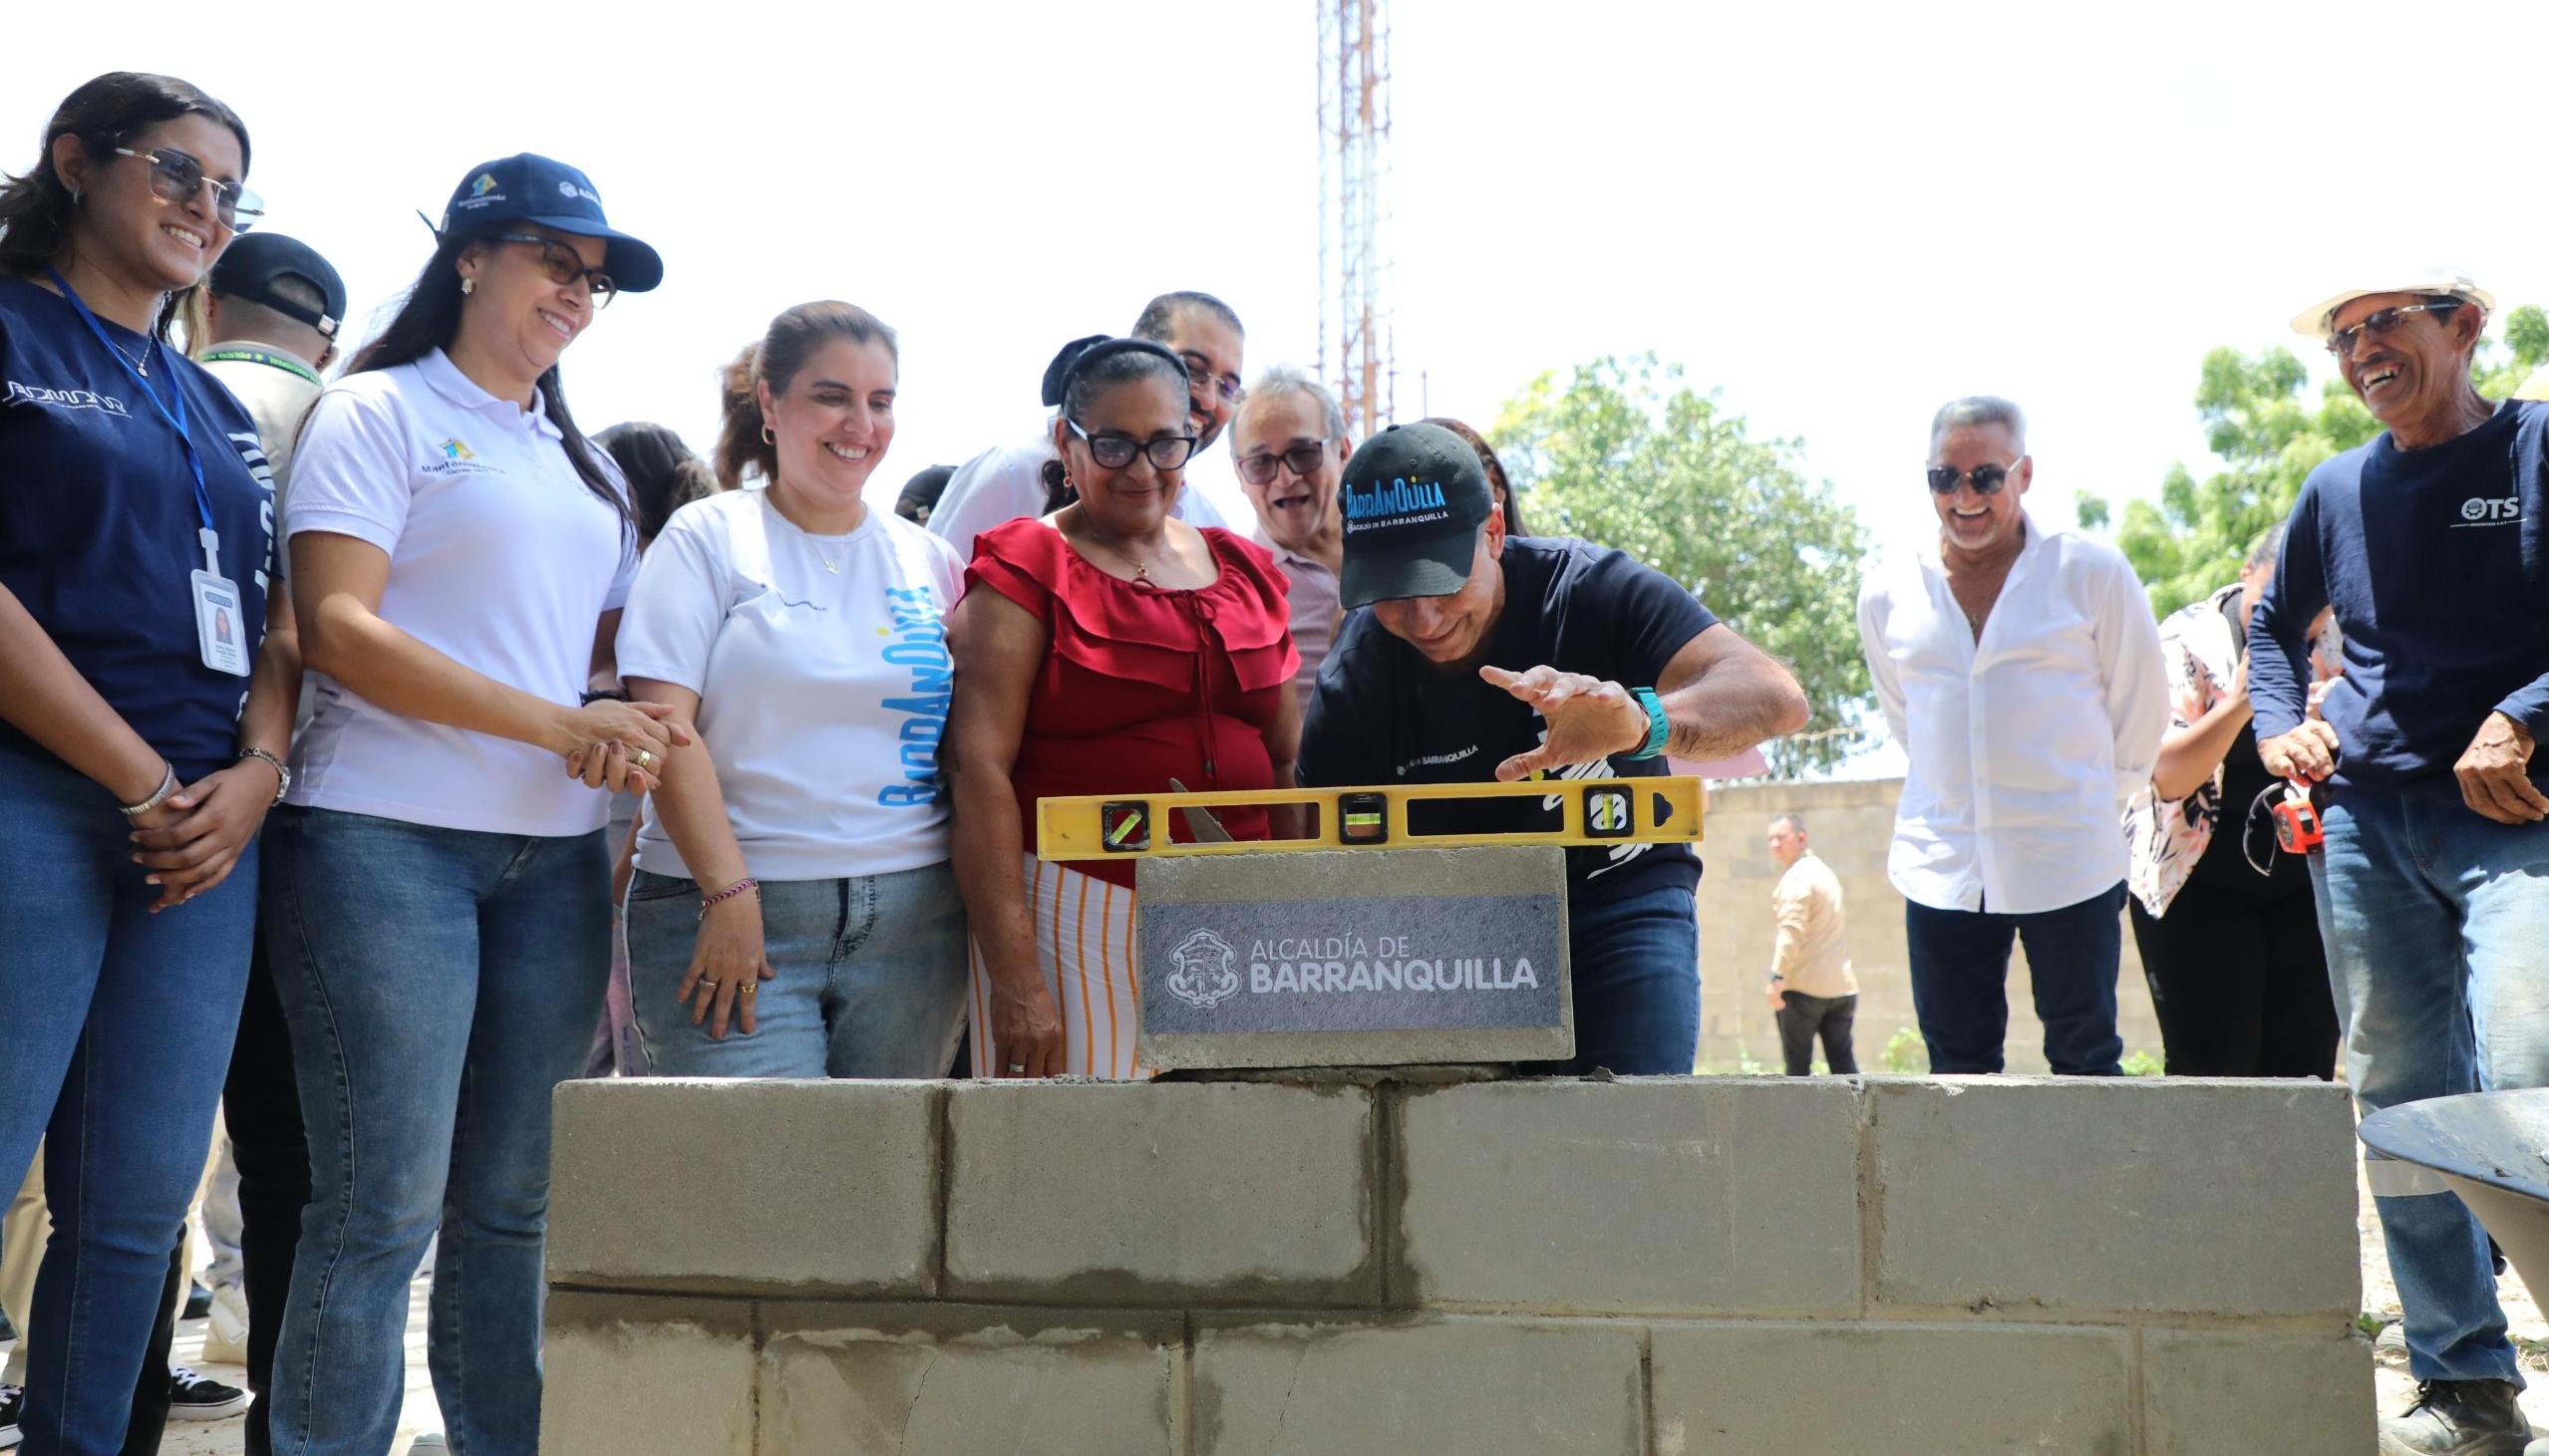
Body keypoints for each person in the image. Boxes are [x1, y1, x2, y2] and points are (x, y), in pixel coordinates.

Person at [260, 151, 675, 1456]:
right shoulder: (375, 411)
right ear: (470, 257)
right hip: (380, 845)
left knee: (510, 1208)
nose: (576, 293)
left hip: (548, 867)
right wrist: (560, 724)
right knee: (380, 1206)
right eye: (556, 261)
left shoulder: (593, 474)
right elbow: (335, 627)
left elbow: (622, 680)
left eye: (594, 280)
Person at [0, 71, 291, 1455]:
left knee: (131, 1212)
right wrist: (134, 776)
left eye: (230, 191)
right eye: (178, 172)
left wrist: (260, 774)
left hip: (201, 834)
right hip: (37, 798)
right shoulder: (7, 330)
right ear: (75, 163)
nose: (205, 209)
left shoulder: (213, 401)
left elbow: (279, 618)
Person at [2253, 271, 2549, 1456]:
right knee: (2402, 1103)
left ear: (2464, 326)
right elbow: (2268, 628)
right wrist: (2279, 723)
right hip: (2370, 825)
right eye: (2343, 335)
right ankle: (2465, 1384)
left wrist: (2526, 710)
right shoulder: (2335, 487)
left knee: (2532, 1062)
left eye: (2387, 322)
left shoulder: (2533, 445)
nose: (2362, 348)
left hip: (2515, 813)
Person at [1299, 422, 1807, 1076]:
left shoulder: (1589, 590)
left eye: (1441, 579)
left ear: (1491, 530)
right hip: (1449, 926)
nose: (1424, 618)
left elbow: (1776, 696)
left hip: (1617, 898)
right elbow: (1326, 869)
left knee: (1634, 1134)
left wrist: (1639, 721)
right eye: (1394, 591)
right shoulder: (1355, 678)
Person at [616, 302, 970, 1077]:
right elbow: (664, 730)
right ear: (770, 403)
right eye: (833, 395)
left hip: (915, 927)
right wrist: (728, 892)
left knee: (883, 1188)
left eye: (881, 401)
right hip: (732, 910)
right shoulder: (705, 539)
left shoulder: (931, 560)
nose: (862, 423)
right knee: (761, 1188)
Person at [946, 338, 1299, 1080]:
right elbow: (976, 768)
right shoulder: (1024, 564)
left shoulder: (1247, 569)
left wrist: (1301, 926)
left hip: (1248, 915)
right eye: (1112, 444)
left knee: (1241, 1161)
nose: (1142, 470)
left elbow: (1286, 763)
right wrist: (1016, 979)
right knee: (1071, 1172)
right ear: (1063, 445)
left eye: (1165, 444)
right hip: (1072, 918)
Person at [1857, 396, 2166, 1076]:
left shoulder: (2090, 571)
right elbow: (1904, 717)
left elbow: (2141, 710)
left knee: (2086, 1059)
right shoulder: (1887, 590)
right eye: (1945, 478)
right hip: (1941, 866)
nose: (1964, 496)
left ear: (2023, 475)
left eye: (1985, 477)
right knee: (1955, 1073)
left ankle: (2087, 1188)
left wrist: (2079, 801)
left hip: (2069, 860)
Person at [193, 224, 351, 1454]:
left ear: (209, 299)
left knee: (130, 1171)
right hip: (322, 829)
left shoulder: (178, 390)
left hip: (145, 800)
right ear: (328, 338)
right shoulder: (361, 422)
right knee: (296, 1164)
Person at [2120, 525, 2337, 1079]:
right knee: (2210, 1071)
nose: (2287, 621)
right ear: (2246, 574)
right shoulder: (2185, 641)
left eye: (2307, 610)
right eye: (2271, 602)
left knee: (2304, 1070)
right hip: (2198, 885)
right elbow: (2165, 775)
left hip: (2308, 882)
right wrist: (2242, 701)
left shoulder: (2345, 638)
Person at [583, 421, 718, 1078]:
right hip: (682, 842)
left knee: (580, 1050)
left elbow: (660, 739)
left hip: (620, 824)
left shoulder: (631, 582)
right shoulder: (706, 572)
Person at [926, 293, 1244, 552]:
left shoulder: (1210, 528)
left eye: (1227, 386)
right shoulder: (1013, 471)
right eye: (1190, 368)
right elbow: (932, 603)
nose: (1209, 400)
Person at [1228, 365, 1349, 700]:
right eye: (1261, 463)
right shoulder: (1237, 589)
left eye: (1303, 453)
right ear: (1239, 476)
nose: (1285, 478)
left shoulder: (1399, 549)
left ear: (1343, 452)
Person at [1763, 813, 1857, 1075]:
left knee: (1797, 1076)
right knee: (1845, 1071)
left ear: (1801, 838)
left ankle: (1799, 1119)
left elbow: (1791, 931)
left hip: (1803, 988)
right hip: (1841, 989)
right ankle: (1863, 1118)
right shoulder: (1825, 873)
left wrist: (1777, 977)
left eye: (1781, 837)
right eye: (1770, 839)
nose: (1774, 844)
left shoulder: (1797, 878)